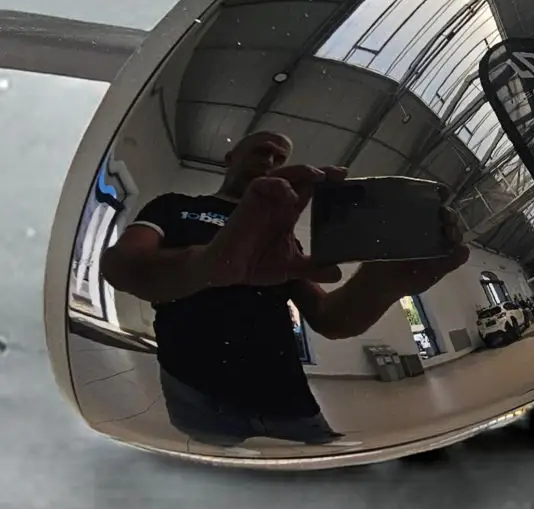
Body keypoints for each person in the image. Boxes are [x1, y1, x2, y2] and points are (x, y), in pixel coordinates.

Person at [100, 131, 469, 448]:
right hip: (195, 393)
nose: (270, 162)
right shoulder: (174, 207)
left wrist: (383, 282)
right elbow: (120, 266)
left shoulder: (281, 238)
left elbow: (330, 320)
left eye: (280, 158)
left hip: (287, 400)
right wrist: (210, 263)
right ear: (230, 157)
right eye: (262, 151)